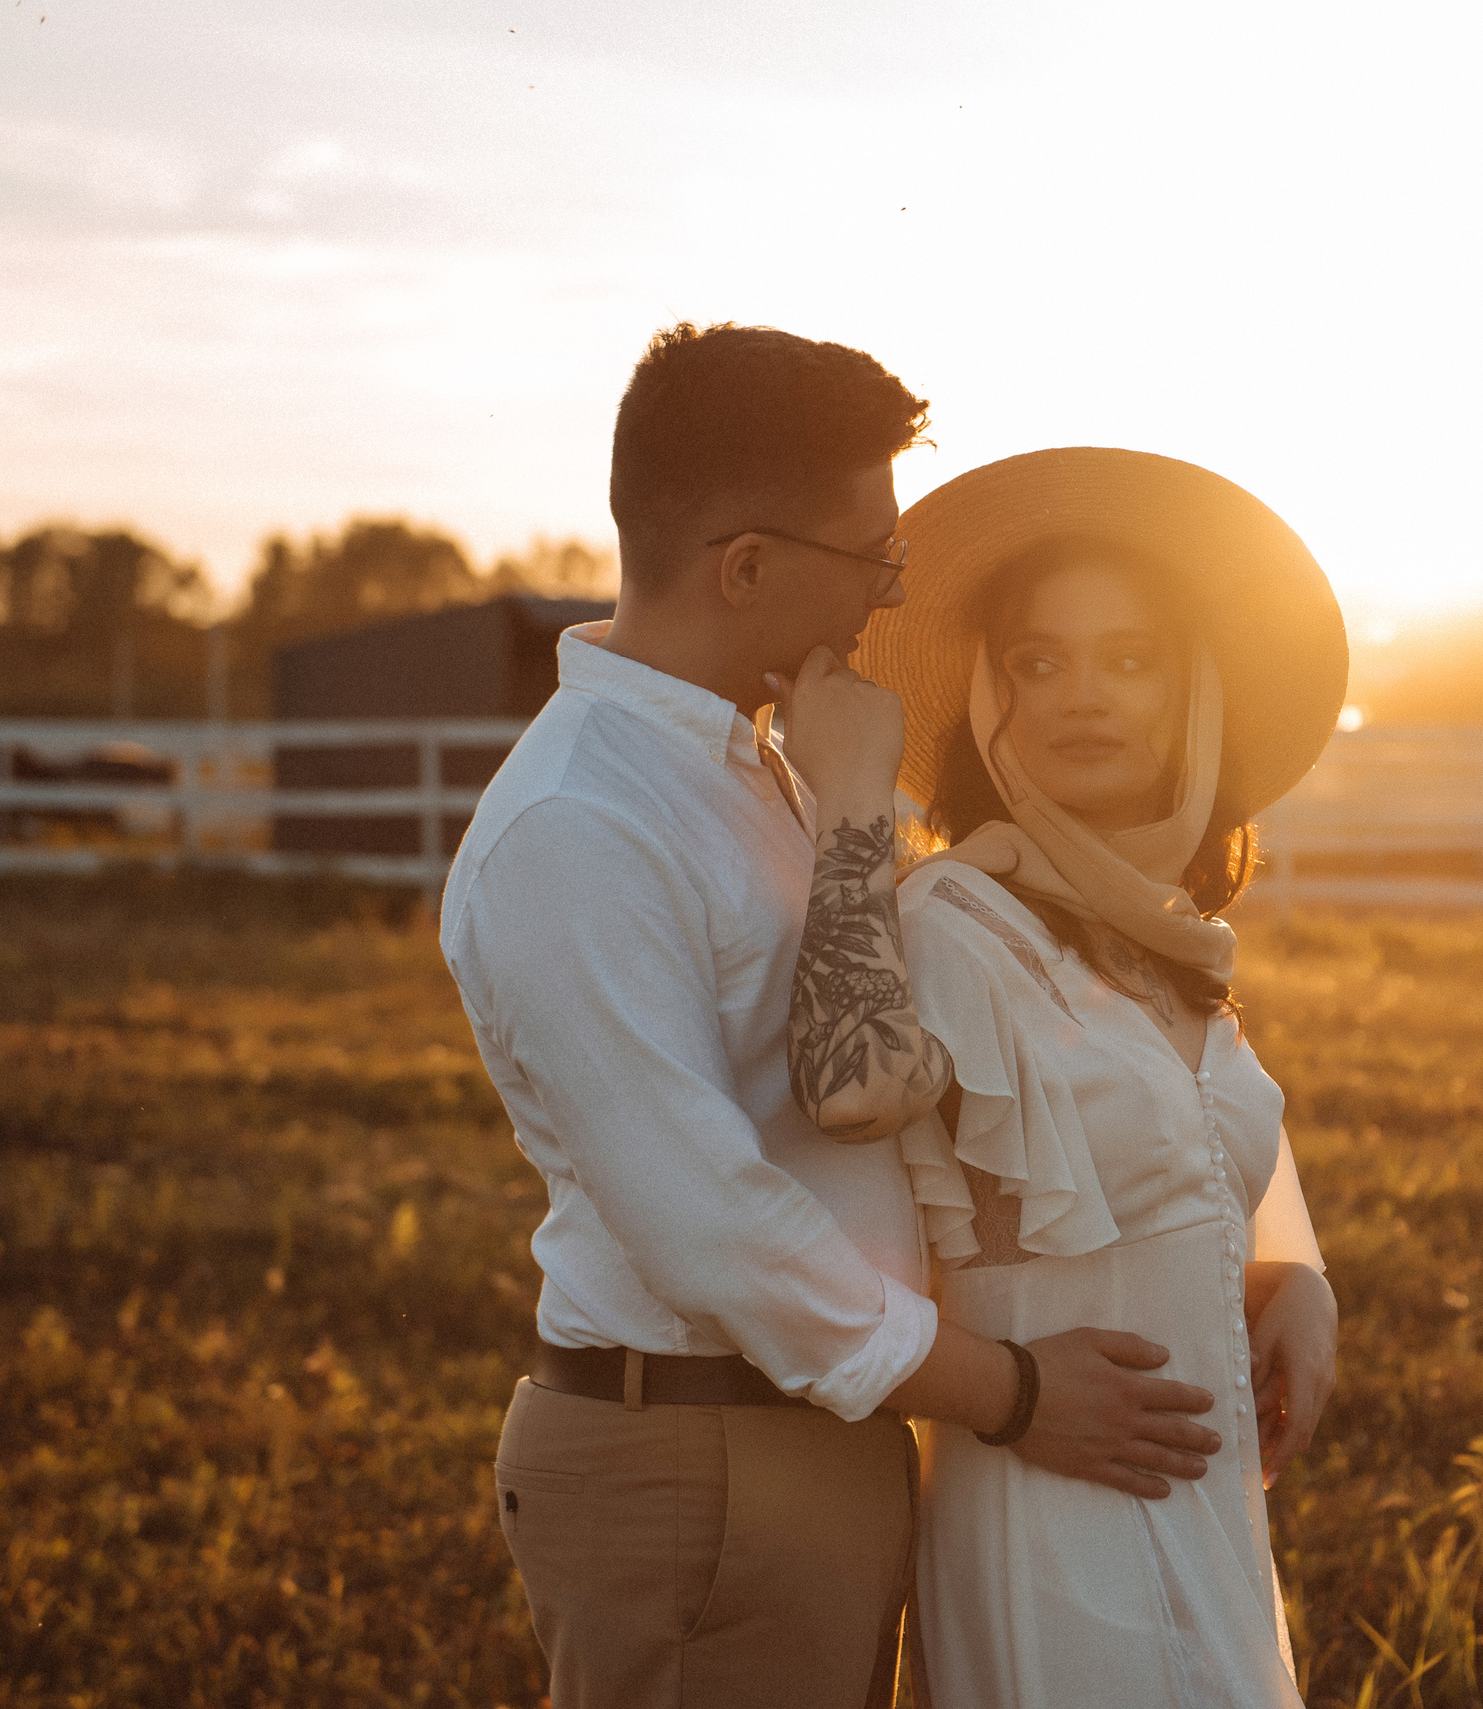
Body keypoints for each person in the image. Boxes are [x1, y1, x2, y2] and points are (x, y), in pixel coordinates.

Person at [442, 328, 1227, 1709]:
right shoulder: (581, 823)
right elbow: (708, 1220)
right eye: (874, 561)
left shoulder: (765, 765)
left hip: (825, 1434)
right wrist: (1014, 1391)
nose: (887, 597)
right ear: (746, 567)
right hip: (698, 1454)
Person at [775, 447, 1347, 1705]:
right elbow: (846, 1080)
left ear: (1191, 690)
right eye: (1039, 660)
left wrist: (1296, 1269)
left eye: (1130, 657)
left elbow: (1195, 1134)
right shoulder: (954, 919)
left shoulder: (1168, 938)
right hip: (1050, 1507)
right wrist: (856, 799)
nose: (1083, 695)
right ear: (990, 693)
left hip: (1205, 1510)